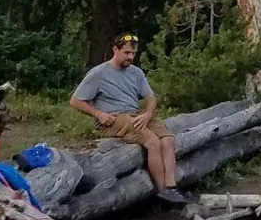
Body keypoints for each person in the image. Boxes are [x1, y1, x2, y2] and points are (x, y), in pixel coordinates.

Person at [71, 32, 186, 205]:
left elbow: (151, 98)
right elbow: (75, 101)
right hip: (113, 118)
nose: (130, 57)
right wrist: (99, 114)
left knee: (167, 139)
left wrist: (147, 114)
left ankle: (171, 187)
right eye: (126, 53)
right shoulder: (98, 73)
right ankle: (162, 190)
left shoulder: (136, 73)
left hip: (135, 114)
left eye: (133, 53)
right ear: (115, 50)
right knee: (153, 142)